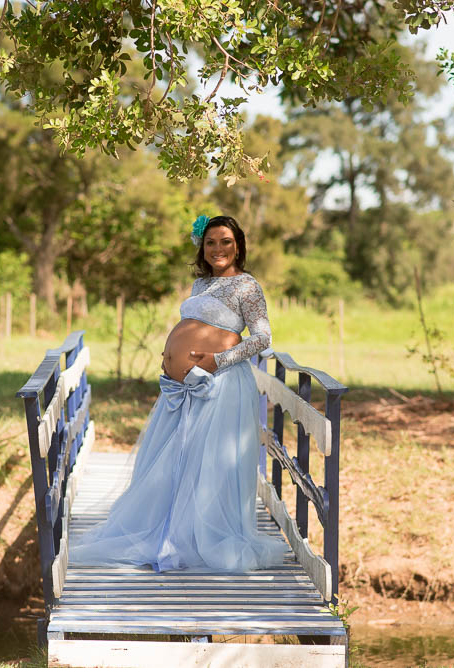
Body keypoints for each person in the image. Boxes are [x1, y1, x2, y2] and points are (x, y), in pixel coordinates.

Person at [68, 214, 289, 572]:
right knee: (174, 461)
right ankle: (170, 534)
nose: (217, 249)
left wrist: (218, 360)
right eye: (210, 242)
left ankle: (200, 539)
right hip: (180, 386)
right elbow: (194, 325)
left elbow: (263, 338)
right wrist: (171, 356)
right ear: (202, 247)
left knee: (207, 463)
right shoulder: (200, 285)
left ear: (238, 246)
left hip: (219, 384)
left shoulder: (247, 286)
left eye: (226, 242)